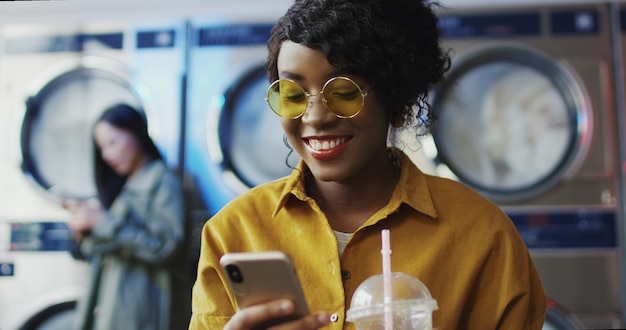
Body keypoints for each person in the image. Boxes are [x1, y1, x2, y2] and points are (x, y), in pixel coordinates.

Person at [189, 0, 547, 329]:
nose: (315, 118)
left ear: (396, 99)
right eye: (293, 94)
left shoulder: (482, 235)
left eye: (343, 93)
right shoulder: (233, 234)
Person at [64, 103, 189, 330]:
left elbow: (167, 247)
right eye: (102, 147)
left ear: (136, 133)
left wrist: (102, 221)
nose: (107, 154)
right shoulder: (126, 186)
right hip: (113, 312)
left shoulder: (162, 180)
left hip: (142, 316)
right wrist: (84, 234)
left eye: (112, 142)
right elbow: (109, 251)